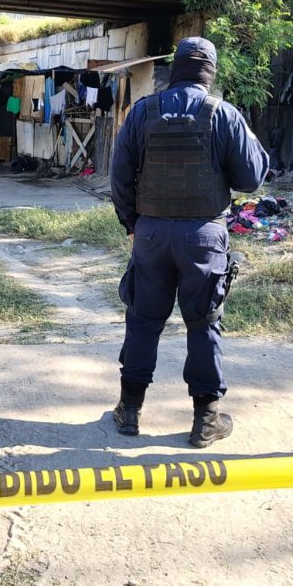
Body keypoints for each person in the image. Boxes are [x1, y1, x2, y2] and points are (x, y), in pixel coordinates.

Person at [109, 37, 269, 448]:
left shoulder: (142, 111)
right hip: (204, 237)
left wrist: (132, 224)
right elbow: (251, 178)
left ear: (175, 68)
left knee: (143, 321)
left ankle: (130, 411)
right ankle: (206, 421)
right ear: (210, 71)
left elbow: (119, 176)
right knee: (203, 324)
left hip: (150, 234)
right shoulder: (224, 113)